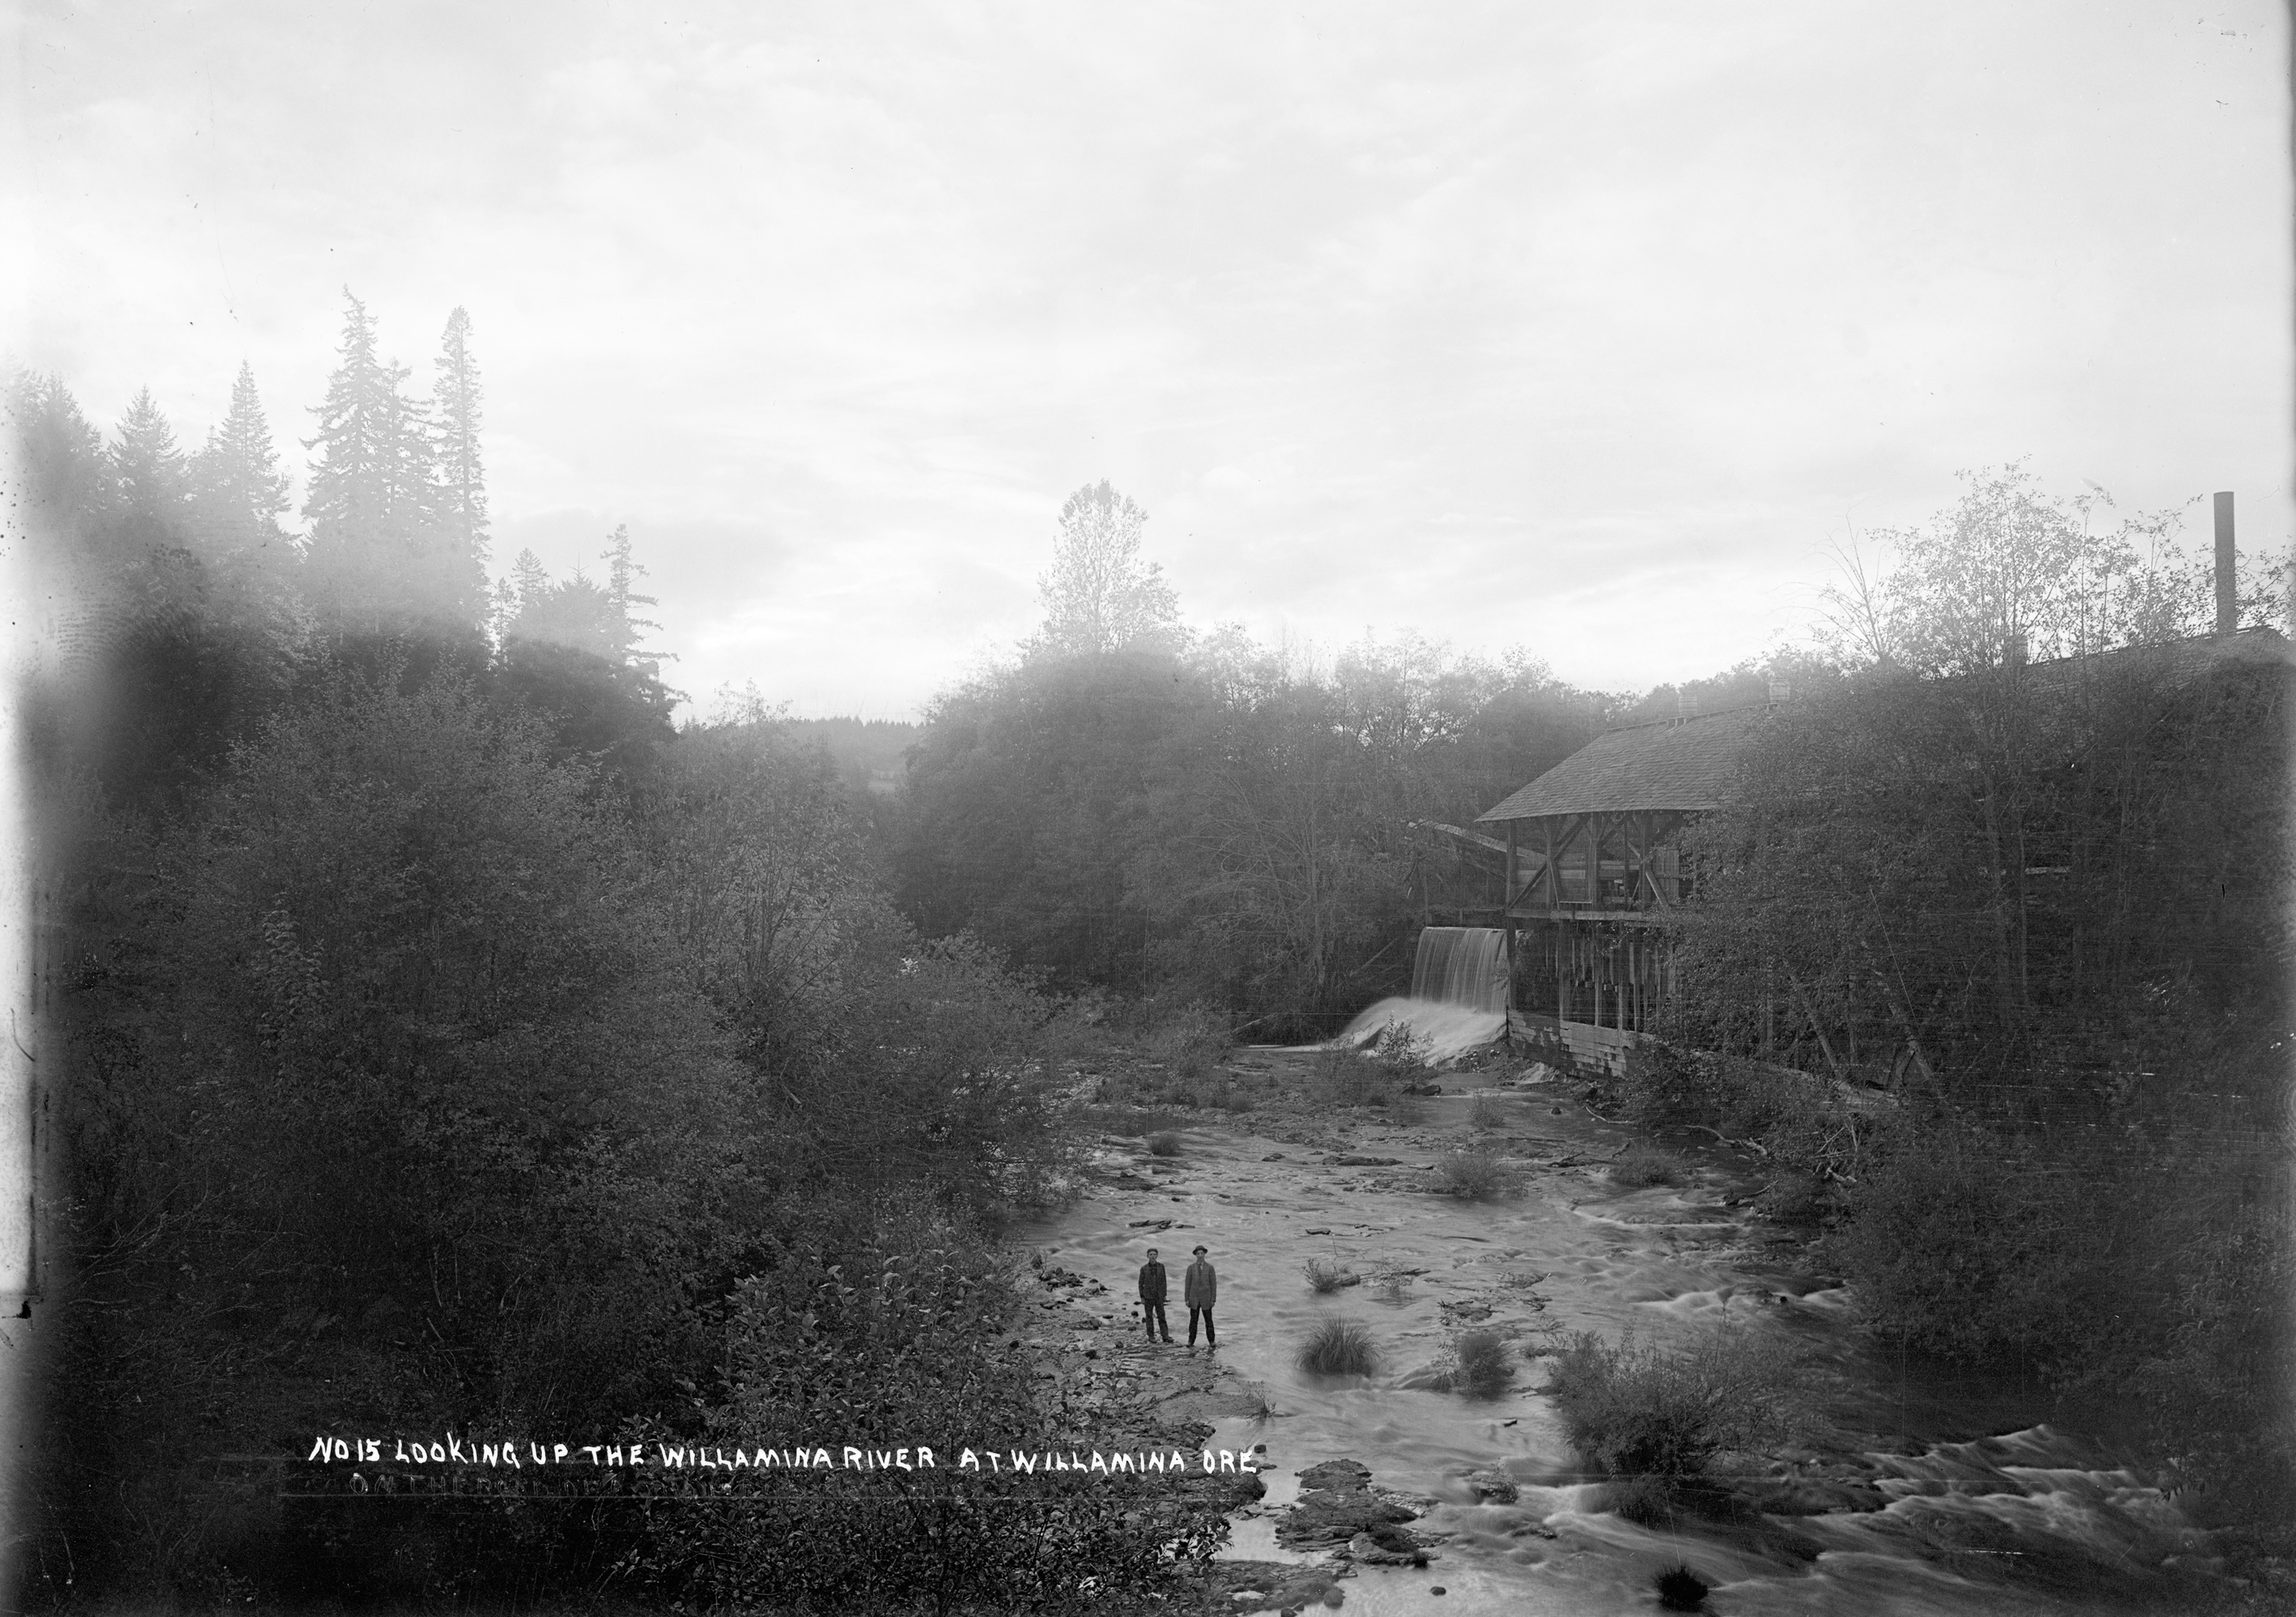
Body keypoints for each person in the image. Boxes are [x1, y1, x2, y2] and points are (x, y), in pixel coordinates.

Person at [1184, 1244, 1216, 1350]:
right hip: (1194, 1298)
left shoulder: (1210, 1268)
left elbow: (1213, 1284)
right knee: (1193, 1321)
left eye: (1202, 1253)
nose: (1200, 1255)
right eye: (1198, 1254)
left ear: (1204, 1254)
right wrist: (1187, 1299)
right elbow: (1187, 1284)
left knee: (1209, 1321)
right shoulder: (1191, 1268)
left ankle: (1212, 1341)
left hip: (1206, 1298)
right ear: (1196, 1255)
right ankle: (1191, 1341)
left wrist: (1213, 1299)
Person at [1137, 1247, 1172, 1343]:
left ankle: (1165, 1336)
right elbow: (1141, 1284)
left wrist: (1164, 1294)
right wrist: (1142, 1297)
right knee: (1149, 1317)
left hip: (1159, 1295)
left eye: (1154, 1255)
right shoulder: (1144, 1269)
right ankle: (1151, 1336)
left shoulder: (1161, 1266)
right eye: (1151, 1255)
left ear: (1157, 1256)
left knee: (1162, 1316)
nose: (1153, 1256)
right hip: (1148, 1296)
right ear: (1147, 1256)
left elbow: (1164, 1281)